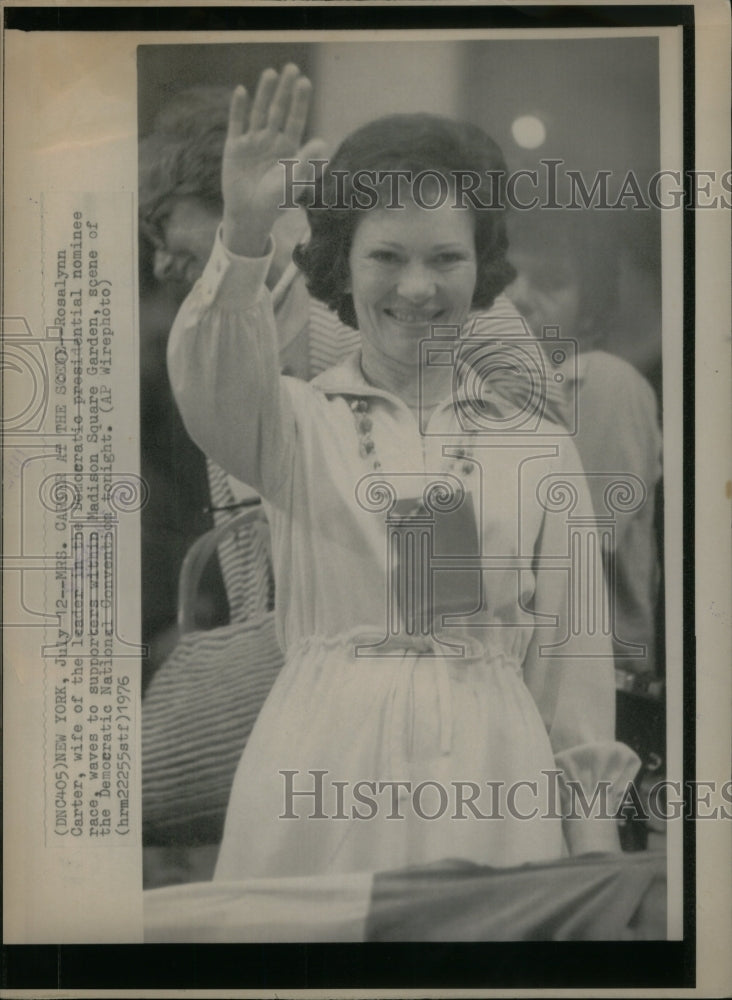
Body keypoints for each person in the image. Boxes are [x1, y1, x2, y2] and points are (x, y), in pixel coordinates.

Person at [168, 65, 640, 879]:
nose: (417, 288)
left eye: (446, 258)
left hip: (492, 786)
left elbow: (574, 669)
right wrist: (245, 231)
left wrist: (592, 856)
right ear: (341, 267)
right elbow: (207, 379)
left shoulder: (535, 445)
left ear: (482, 268)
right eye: (386, 255)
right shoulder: (293, 421)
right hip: (317, 780)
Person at [505, 210, 663, 678]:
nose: (517, 299)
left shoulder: (603, 383)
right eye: (505, 277)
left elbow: (572, 552)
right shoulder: (485, 397)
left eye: (549, 282)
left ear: (590, 307)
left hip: (592, 687)